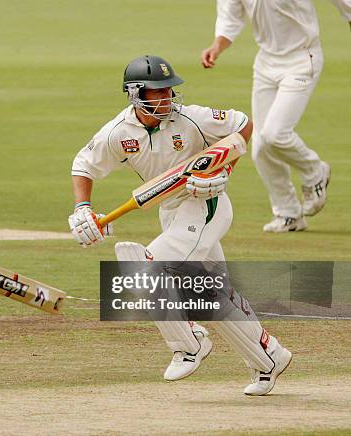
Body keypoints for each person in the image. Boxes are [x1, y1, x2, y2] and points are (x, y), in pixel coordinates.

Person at [69, 54, 292, 395]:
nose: (165, 98)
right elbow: (84, 165)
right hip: (170, 212)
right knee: (214, 294)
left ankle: (190, 343)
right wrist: (83, 207)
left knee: (143, 264)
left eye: (168, 91)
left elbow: (242, 125)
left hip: (206, 204)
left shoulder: (192, 118)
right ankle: (269, 356)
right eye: (156, 92)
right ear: (135, 94)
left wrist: (220, 171)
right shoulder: (118, 132)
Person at [201, 0, 351, 232]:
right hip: (266, 64)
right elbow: (230, 18)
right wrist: (216, 47)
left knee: (275, 134)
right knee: (260, 147)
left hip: (303, 59)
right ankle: (288, 214)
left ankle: (315, 170)